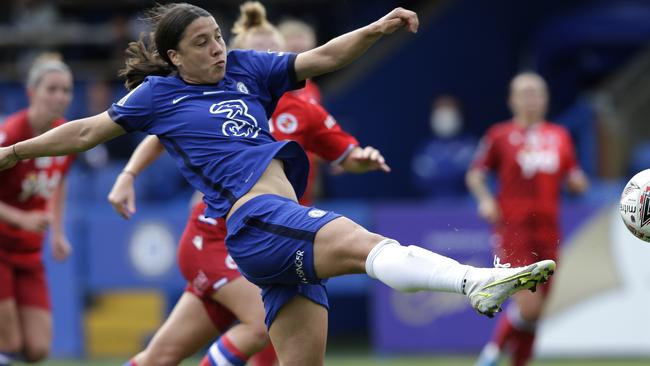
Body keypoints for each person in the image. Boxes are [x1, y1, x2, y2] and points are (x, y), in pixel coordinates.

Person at [0, 4, 556, 365]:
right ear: (174, 57)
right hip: (255, 222)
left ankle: (475, 283)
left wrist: (377, 28)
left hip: (272, 236)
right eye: (201, 42)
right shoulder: (157, 96)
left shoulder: (248, 68)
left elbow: (323, 56)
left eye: (216, 36)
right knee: (367, 246)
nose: (216, 47)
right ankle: (474, 282)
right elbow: (86, 132)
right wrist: (17, 151)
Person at [108, 3, 381, 365]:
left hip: (276, 235)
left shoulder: (304, 107)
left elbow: (343, 151)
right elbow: (159, 133)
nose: (271, 59)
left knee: (163, 355)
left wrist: (358, 160)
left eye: (278, 52)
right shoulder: (210, 96)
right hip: (217, 236)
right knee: (258, 327)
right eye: (262, 51)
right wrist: (128, 176)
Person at [466, 72, 589, 366]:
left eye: (537, 93)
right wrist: (485, 200)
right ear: (512, 100)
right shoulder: (499, 135)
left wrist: (579, 183)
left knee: (537, 312)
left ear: (546, 99)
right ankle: (492, 354)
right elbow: (475, 174)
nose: (532, 99)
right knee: (529, 305)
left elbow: (575, 177)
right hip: (514, 230)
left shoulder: (559, 136)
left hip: (549, 232)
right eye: (525, 93)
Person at [0, 53, 74, 365]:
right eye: (52, 88)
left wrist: (57, 231)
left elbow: (59, 182)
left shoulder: (66, 134)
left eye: (66, 90)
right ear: (32, 92)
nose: (60, 97)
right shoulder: (11, 134)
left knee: (37, 349)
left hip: (29, 251)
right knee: (10, 341)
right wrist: (20, 217)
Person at [411, 95, 475, 198]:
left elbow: (471, 177)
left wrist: (438, 169)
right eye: (440, 116)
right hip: (431, 206)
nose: (445, 120)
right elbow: (419, 180)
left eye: (449, 116)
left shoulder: (470, 145)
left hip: (464, 206)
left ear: (459, 117)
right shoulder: (425, 147)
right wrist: (453, 166)